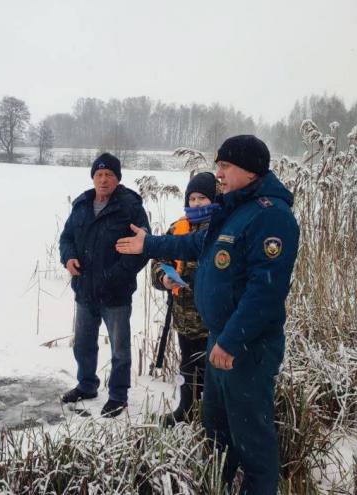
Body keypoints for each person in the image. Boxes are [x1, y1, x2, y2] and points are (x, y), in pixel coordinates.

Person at [116, 135, 299, 494]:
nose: (219, 174)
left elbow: (265, 291)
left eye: (225, 166)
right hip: (220, 339)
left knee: (252, 438)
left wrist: (231, 341)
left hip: (245, 348)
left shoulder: (271, 216)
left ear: (249, 170)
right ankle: (218, 484)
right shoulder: (234, 208)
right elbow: (195, 244)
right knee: (216, 428)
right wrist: (149, 244)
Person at [58, 152, 149, 418]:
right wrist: (69, 257)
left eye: (109, 174)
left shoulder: (130, 207)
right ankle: (87, 385)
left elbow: (142, 248)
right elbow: (66, 238)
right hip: (85, 290)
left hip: (116, 294)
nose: (104, 179)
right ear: (93, 178)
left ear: (118, 178)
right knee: (83, 344)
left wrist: (116, 275)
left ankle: (118, 396)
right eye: (99, 174)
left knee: (120, 349)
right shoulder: (82, 204)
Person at [149, 172, 218, 426]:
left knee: (212, 372)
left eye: (203, 198)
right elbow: (158, 261)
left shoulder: (222, 228)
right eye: (193, 198)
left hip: (211, 321)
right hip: (183, 318)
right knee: (187, 366)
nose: (197, 203)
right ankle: (186, 409)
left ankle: (210, 417)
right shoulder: (178, 227)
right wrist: (163, 278)